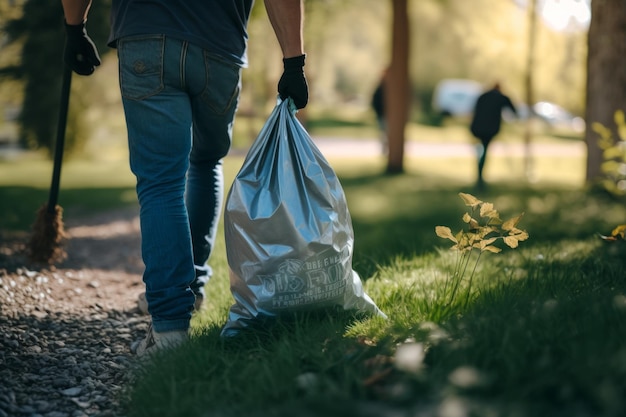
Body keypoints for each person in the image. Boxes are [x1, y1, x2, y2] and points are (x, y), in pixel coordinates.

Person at [60, 0, 308, 356]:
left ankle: (170, 330)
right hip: (219, 45)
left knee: (161, 182)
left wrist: (74, 27)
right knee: (205, 163)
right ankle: (193, 288)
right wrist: (294, 62)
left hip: (146, 33)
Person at [469, 82, 517, 190]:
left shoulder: (483, 96)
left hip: (477, 127)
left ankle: (479, 174)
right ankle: (480, 176)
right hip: (489, 129)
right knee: (484, 150)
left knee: (481, 150)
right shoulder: (501, 97)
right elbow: (513, 110)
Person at [371, 69, 388, 155]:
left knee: (387, 134)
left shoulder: (390, 88)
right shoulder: (380, 88)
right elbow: (374, 102)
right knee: (384, 134)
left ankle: (386, 150)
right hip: (382, 115)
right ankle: (384, 151)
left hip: (388, 116)